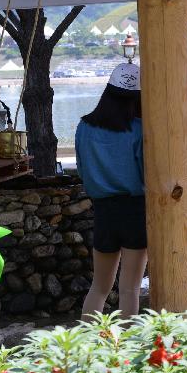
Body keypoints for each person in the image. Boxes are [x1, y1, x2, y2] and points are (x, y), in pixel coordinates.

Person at [75, 63, 146, 318]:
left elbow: (82, 171)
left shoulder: (84, 127)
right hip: (134, 211)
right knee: (130, 290)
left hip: (103, 211)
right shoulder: (138, 129)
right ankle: (126, 353)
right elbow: (145, 174)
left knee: (99, 287)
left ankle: (84, 346)